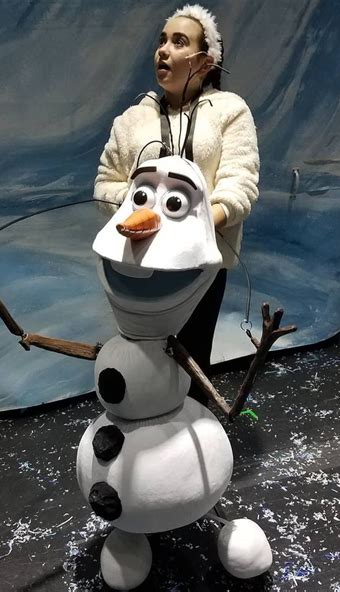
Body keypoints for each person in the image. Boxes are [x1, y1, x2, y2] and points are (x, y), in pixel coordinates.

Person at [94, 4, 259, 405]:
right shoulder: (131, 120)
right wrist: (139, 207)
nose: (163, 50)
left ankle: (195, 440)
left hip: (201, 266)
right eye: (162, 41)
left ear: (205, 62)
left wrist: (195, 219)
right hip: (138, 266)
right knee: (143, 359)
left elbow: (240, 185)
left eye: (178, 42)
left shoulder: (229, 111)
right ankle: (143, 444)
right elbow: (104, 185)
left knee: (192, 358)